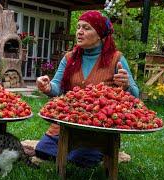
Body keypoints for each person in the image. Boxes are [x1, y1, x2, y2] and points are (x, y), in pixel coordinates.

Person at [35, 10, 139, 168]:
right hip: (69, 123)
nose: (79, 32)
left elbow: (136, 95)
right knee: (42, 150)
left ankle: (96, 151)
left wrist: (127, 86)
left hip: (98, 128)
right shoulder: (70, 58)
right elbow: (57, 87)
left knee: (80, 160)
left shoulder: (116, 59)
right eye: (78, 27)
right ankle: (77, 150)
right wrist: (48, 87)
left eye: (86, 28)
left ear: (100, 35)